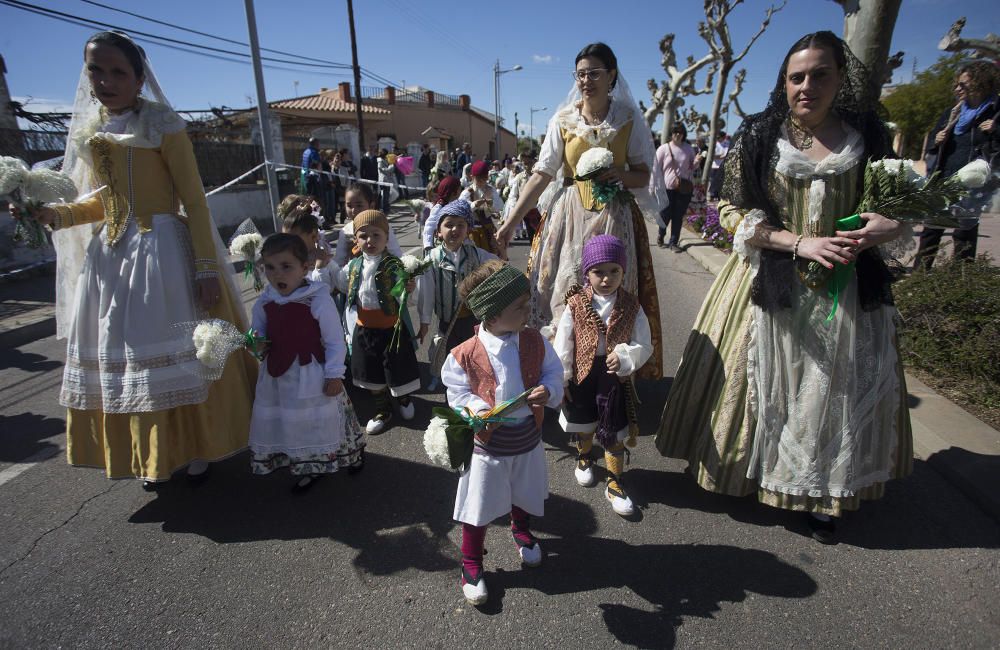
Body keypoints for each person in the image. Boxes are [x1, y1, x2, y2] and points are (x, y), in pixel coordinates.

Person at [654, 31, 914, 544]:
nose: (807, 86)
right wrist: (798, 243)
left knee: (830, 391)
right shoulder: (761, 136)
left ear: (840, 78)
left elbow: (899, 206)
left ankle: (823, 497)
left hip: (847, 287)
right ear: (785, 82)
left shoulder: (869, 138)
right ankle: (752, 474)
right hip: (770, 279)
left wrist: (889, 225)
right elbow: (728, 210)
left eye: (820, 74)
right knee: (763, 387)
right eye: (797, 76)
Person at [17, 31, 255, 488]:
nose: (106, 81)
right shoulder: (93, 130)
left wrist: (207, 268)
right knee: (127, 361)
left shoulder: (163, 126)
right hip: (110, 257)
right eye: (96, 70)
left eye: (117, 72)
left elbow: (194, 199)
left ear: (139, 78)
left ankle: (193, 448)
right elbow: (101, 201)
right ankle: (154, 455)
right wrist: (56, 214)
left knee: (174, 354)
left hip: (160, 250)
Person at [496, 42, 663, 381]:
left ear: (611, 75)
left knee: (610, 290)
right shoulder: (564, 119)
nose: (587, 80)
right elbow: (543, 174)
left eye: (594, 73)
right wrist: (509, 222)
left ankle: (609, 368)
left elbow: (645, 174)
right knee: (563, 287)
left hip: (614, 215)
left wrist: (621, 175)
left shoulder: (628, 120)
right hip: (569, 213)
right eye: (581, 74)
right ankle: (563, 372)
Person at [441, 260, 564, 605]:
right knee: (478, 504)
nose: (529, 311)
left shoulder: (535, 342)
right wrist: (478, 411)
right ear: (492, 316)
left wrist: (548, 389)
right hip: (488, 446)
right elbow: (457, 393)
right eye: (520, 307)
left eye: (527, 303)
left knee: (524, 490)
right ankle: (470, 562)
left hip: (526, 438)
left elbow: (554, 372)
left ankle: (521, 531)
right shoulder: (464, 354)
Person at [249, 234, 365, 491]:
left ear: (304, 268)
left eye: (286, 266)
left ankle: (350, 452)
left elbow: (335, 340)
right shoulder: (266, 301)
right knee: (293, 421)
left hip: (312, 373)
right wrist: (256, 342)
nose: (277, 274)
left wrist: (334, 374)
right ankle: (307, 463)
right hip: (279, 375)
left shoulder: (317, 298)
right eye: (270, 267)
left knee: (323, 418)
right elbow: (257, 332)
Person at [553, 235, 652, 517]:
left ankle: (614, 481)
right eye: (598, 272)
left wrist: (624, 356)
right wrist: (562, 377)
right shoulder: (576, 303)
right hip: (582, 373)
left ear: (623, 272)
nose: (606, 279)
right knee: (584, 421)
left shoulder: (632, 305)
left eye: (614, 271)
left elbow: (644, 343)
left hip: (612, 375)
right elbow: (564, 341)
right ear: (587, 273)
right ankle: (584, 456)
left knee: (613, 426)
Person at [331, 210, 420, 434]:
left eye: (376, 235)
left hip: (391, 329)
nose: (369, 240)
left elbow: (405, 298)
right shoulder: (353, 267)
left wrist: (408, 289)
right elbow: (342, 285)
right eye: (363, 236)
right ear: (356, 240)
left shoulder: (394, 265)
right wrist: (326, 265)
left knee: (397, 367)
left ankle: (404, 398)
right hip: (365, 328)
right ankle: (382, 409)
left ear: (386, 237)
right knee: (370, 371)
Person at [913, 61, 999, 269]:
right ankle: (920, 273)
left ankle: (960, 278)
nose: (958, 88)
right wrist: (937, 138)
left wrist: (996, 130)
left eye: (964, 84)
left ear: (982, 84)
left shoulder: (995, 112)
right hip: (944, 175)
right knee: (932, 227)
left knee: (964, 230)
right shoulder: (953, 113)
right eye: (957, 84)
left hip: (973, 179)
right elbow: (934, 140)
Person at [417, 199, 498, 385]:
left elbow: (495, 264)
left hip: (472, 318)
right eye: (449, 225)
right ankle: (449, 387)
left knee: (474, 352)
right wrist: (424, 320)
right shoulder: (433, 258)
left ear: (468, 230)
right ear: (438, 231)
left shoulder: (475, 254)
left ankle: (473, 385)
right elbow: (426, 292)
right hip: (447, 320)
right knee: (449, 353)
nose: (454, 229)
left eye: (460, 225)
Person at [655, 123, 699, 250]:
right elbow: (656, 168)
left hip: (684, 188)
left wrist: (697, 161)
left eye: (680, 132)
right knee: (665, 214)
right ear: (671, 133)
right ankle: (661, 234)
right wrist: (654, 186)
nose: (678, 135)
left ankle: (673, 242)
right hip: (667, 188)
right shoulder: (664, 149)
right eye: (675, 132)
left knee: (678, 216)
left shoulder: (688, 149)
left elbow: (692, 167)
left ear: (684, 134)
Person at [460, 160, 504, 256]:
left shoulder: (491, 190)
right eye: (478, 179)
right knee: (473, 256)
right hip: (473, 229)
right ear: (472, 177)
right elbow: (460, 207)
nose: (481, 181)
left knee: (490, 256)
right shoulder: (468, 191)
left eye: (483, 179)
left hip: (488, 228)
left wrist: (492, 203)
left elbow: (500, 206)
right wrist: (473, 205)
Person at [422, 175, 463, 252]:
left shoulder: (458, 205)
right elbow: (429, 226)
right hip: (442, 246)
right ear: (453, 192)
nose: (460, 191)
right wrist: (428, 246)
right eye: (459, 189)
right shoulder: (439, 207)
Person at [708, 131, 730, 200]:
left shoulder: (727, 144)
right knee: (713, 181)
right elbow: (712, 155)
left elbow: (727, 154)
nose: (717, 139)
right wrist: (720, 156)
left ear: (723, 137)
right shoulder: (714, 144)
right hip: (714, 166)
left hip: (723, 165)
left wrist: (721, 156)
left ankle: (720, 195)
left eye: (719, 137)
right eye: (716, 137)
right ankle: (712, 195)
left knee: (722, 181)